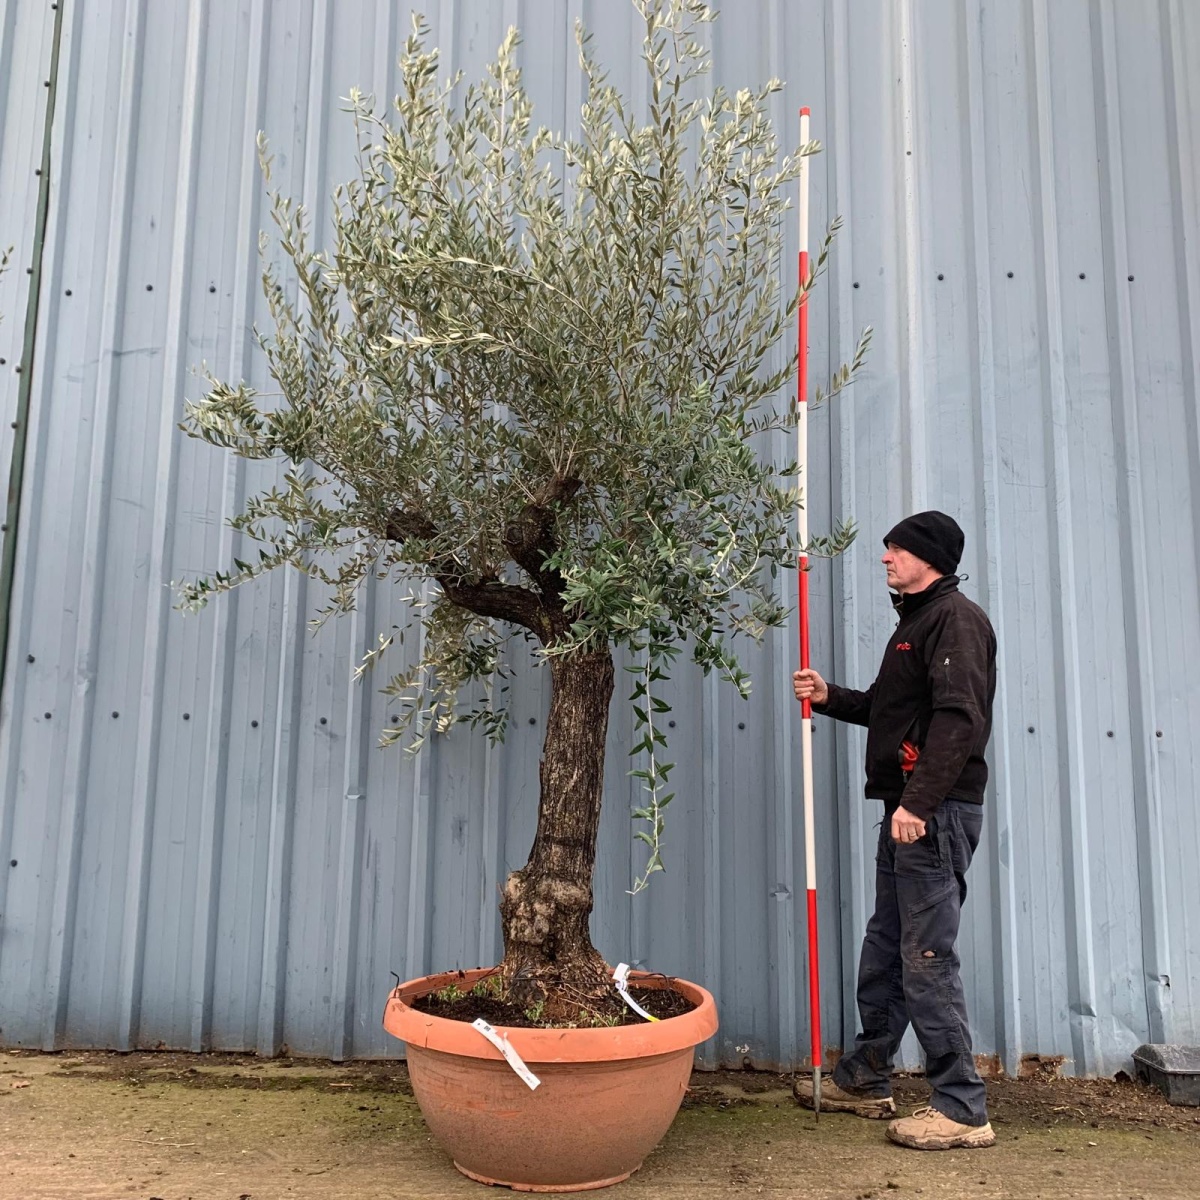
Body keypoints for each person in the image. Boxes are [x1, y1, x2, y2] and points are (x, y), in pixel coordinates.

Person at [792, 510, 997, 1151]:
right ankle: (869, 1074)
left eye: (897, 549)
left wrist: (920, 803)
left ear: (929, 557)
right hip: (908, 813)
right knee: (887, 946)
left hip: (929, 817)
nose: (885, 558)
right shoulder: (916, 623)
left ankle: (962, 1109)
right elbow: (888, 708)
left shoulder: (954, 620)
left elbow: (959, 722)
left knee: (926, 957)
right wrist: (829, 696)